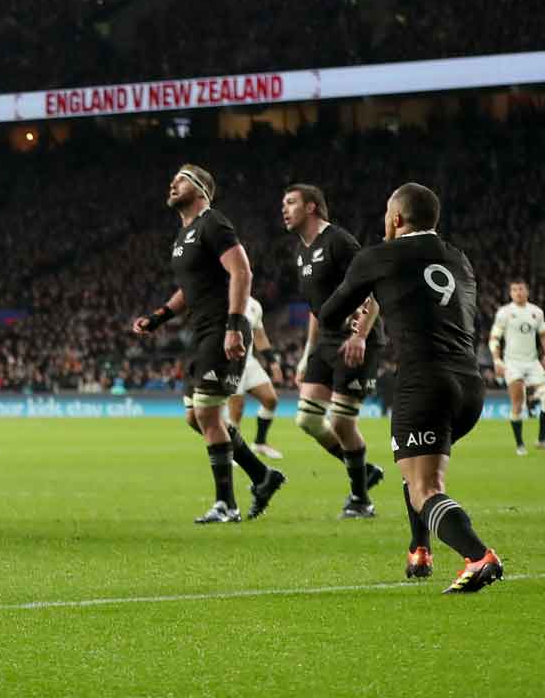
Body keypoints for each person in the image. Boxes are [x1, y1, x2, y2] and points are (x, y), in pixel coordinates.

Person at [318, 183, 501, 593]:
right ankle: (420, 548)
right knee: (417, 468)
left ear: (396, 218)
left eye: (388, 213)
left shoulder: (378, 256)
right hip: (470, 384)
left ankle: (478, 555)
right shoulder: (458, 257)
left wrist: (356, 312)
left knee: (426, 488)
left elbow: (330, 314)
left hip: (424, 383)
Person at [132, 165, 285, 524]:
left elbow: (242, 271)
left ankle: (226, 504)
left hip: (222, 328)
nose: (172, 183)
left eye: (181, 179)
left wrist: (234, 325)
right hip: (201, 331)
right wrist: (158, 318)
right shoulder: (184, 234)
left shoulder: (213, 222)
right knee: (194, 417)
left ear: (201, 190)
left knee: (206, 413)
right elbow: (190, 290)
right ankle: (263, 476)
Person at [282, 183, 385, 516]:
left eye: (291, 202)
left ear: (311, 207)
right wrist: (306, 354)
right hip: (325, 341)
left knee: (341, 421)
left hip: (355, 339)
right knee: (308, 419)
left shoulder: (337, 241)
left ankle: (361, 500)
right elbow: (318, 310)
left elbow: (372, 287)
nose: (284, 209)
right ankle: (363, 472)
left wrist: (361, 336)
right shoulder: (300, 252)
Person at [489, 280, 545, 456]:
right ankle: (520, 444)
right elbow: (494, 338)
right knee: (518, 404)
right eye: (514, 289)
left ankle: (542, 440)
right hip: (512, 363)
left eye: (521, 289)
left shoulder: (536, 312)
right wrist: (497, 361)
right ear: (510, 293)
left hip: (533, 363)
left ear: (527, 291)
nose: (517, 292)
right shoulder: (504, 312)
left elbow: (543, 334)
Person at [226, 295, 282, 462]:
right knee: (237, 408)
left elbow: (259, 336)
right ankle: (233, 451)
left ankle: (260, 442)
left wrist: (272, 362)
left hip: (248, 361)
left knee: (270, 399)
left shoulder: (254, 305)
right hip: (230, 361)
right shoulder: (223, 299)